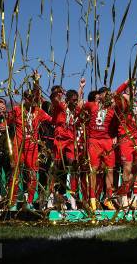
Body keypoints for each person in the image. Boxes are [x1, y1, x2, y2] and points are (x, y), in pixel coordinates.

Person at [6, 71, 53, 210]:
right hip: (18, 145)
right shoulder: (16, 110)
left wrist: (36, 81)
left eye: (33, 98)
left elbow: (53, 120)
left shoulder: (39, 111)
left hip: (32, 146)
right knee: (16, 172)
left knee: (32, 174)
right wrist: (3, 125)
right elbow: (6, 123)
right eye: (28, 98)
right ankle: (12, 201)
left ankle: (30, 201)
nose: (31, 100)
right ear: (24, 98)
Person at [49, 78, 86, 210]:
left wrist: (81, 87)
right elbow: (53, 99)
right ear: (68, 99)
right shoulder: (61, 106)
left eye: (76, 100)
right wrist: (58, 92)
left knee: (74, 164)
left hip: (71, 140)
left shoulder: (76, 111)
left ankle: (73, 195)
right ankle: (53, 195)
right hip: (59, 139)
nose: (76, 103)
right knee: (57, 166)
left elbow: (81, 102)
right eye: (73, 100)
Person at [82, 86, 119, 210]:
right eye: (104, 93)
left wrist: (126, 82)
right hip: (94, 141)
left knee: (110, 170)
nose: (107, 95)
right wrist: (81, 89)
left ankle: (108, 198)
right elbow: (79, 106)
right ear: (99, 95)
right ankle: (92, 199)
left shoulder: (113, 108)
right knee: (93, 170)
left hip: (107, 141)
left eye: (108, 93)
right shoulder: (92, 105)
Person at [115, 79, 137, 209]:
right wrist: (126, 82)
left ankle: (135, 198)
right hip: (126, 139)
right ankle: (123, 197)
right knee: (127, 168)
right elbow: (116, 93)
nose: (132, 90)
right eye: (129, 89)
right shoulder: (123, 103)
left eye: (134, 88)